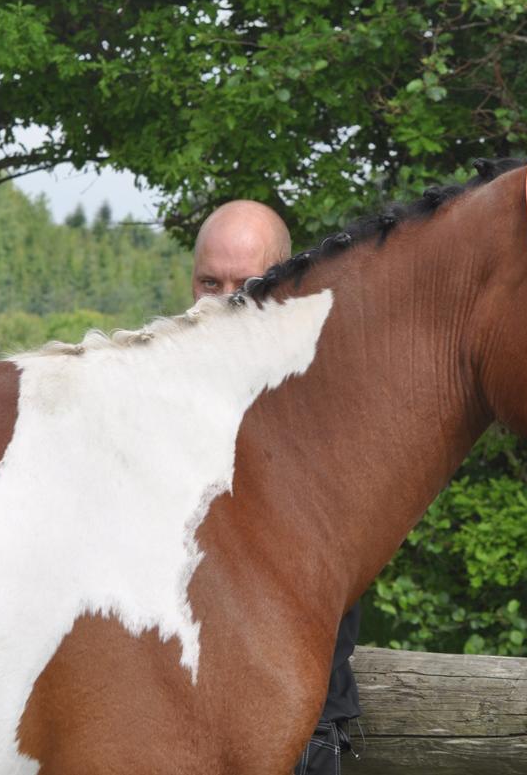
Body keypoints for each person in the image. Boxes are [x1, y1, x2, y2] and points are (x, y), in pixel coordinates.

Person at [192, 200, 362, 774]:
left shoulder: (324, 409)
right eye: (210, 283)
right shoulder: (162, 403)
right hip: (180, 719)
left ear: (285, 285)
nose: (224, 303)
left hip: (295, 728)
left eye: (247, 284)